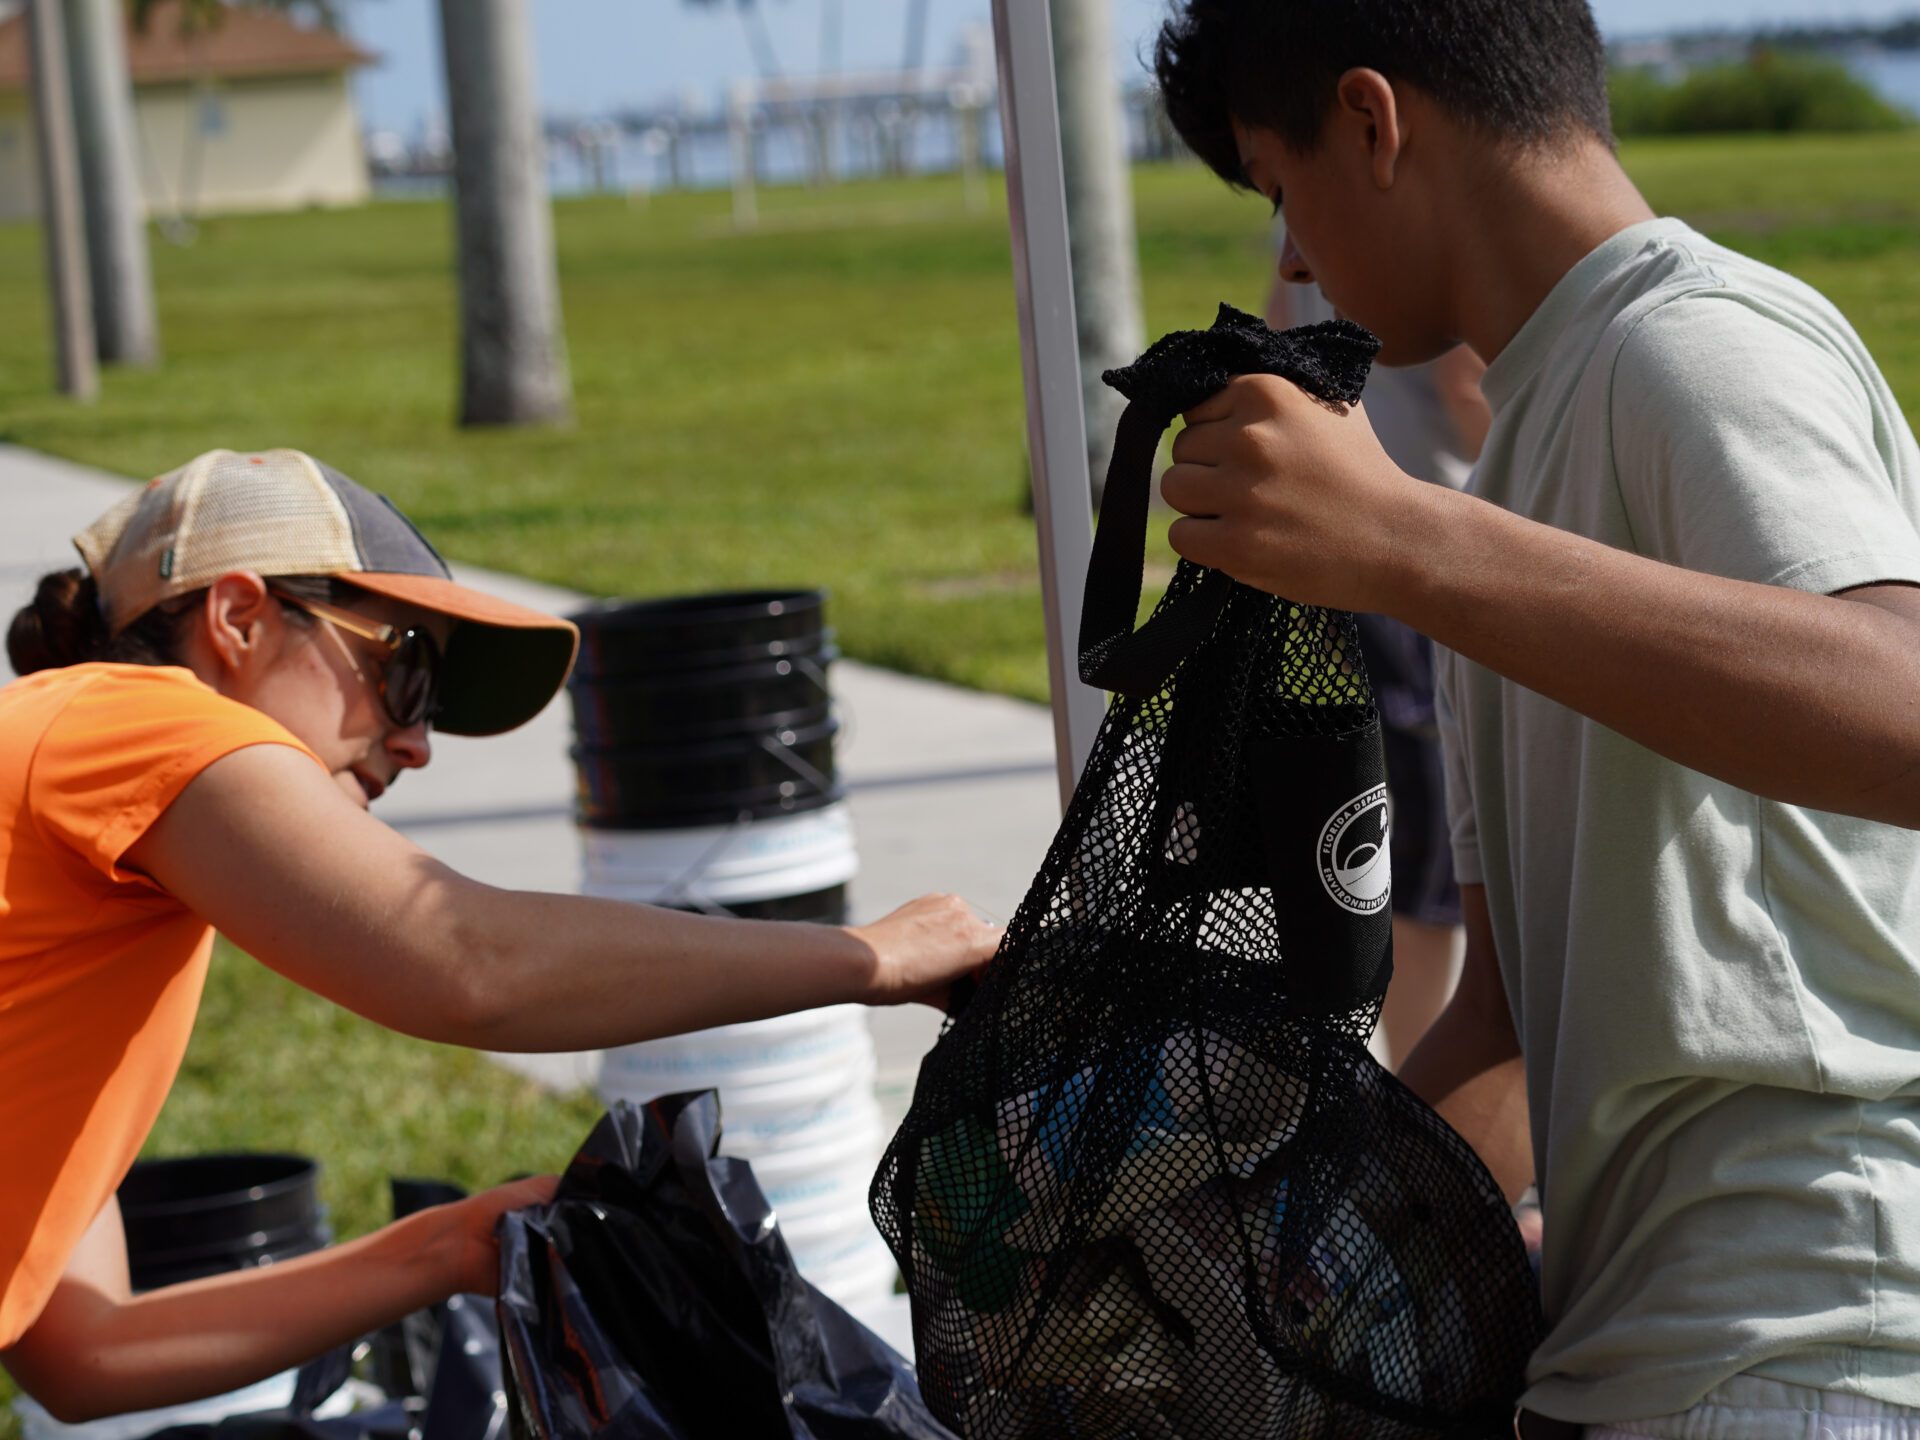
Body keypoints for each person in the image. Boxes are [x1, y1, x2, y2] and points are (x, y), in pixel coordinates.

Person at [1153, 3, 1920, 1437]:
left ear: (1374, 122)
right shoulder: (1509, 478)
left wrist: (1410, 545)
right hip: (1630, 1347)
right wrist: (1266, 1231)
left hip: (1810, 1333)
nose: (1291, 263)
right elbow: (1511, 1017)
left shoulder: (1693, 345)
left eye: (1280, 189)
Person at [0, 448, 999, 1422]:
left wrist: (451, 1244)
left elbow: (86, 1353)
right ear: (239, 617)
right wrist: (873, 957)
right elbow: (465, 960)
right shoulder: (132, 717)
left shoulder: (91, 875)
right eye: (401, 672)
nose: (418, 744)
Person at [1266, 248, 1488, 1071]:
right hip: (1426, 557)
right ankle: (1417, 1096)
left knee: (1381, 841)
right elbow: (1471, 387)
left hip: (1350, 554)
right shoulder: (1423, 216)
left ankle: (1403, 1082)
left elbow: (1282, 347)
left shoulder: (1307, 212)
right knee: (1424, 860)